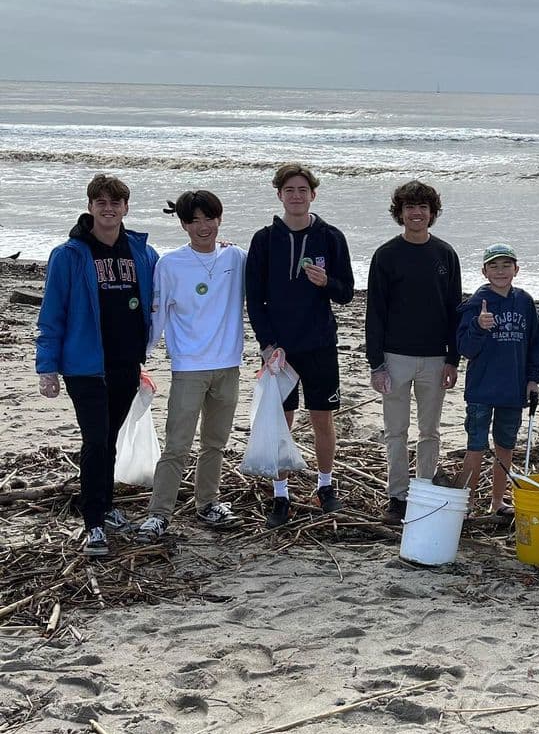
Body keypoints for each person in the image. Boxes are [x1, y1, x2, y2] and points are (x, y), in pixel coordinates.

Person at [35, 174, 158, 556]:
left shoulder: (142, 251)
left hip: (125, 363)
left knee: (109, 441)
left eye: (115, 202)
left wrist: (213, 250)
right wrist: (47, 367)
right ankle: (93, 524)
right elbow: (51, 312)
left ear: (125, 208)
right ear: (90, 206)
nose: (108, 208)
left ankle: (106, 507)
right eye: (101, 202)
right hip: (84, 366)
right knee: (96, 440)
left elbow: (168, 287)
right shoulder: (69, 254)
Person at [246, 164, 354, 528]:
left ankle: (325, 486)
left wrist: (327, 282)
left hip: (320, 343)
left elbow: (346, 293)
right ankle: (281, 495)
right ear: (279, 194)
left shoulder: (331, 237)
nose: (296, 195)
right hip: (281, 350)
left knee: (322, 418)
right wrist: (267, 344)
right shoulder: (264, 239)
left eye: (303, 189)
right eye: (289, 189)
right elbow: (254, 298)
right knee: (282, 422)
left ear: (313, 194)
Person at [135, 191, 246, 542]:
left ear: (219, 219)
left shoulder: (237, 257)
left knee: (215, 442)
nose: (203, 227)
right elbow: (158, 313)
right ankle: (158, 514)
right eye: (194, 220)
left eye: (209, 218)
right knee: (177, 444)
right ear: (183, 224)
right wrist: (143, 356)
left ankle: (208, 503)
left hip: (228, 365)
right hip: (188, 367)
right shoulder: (170, 265)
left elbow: (263, 294)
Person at [366, 180, 462, 524]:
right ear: (400, 213)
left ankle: (422, 490)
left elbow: (455, 310)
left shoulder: (446, 255)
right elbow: (374, 312)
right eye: (409, 207)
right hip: (395, 357)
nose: (416, 213)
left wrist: (453, 358)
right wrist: (376, 363)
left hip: (435, 359)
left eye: (423, 207)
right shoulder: (386, 255)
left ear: (432, 213)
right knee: (395, 430)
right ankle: (397, 497)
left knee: (430, 431)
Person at [456, 244, 539, 515]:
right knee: (476, 447)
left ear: (516, 269)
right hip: (481, 390)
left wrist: (534, 379)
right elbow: (464, 348)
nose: (500, 271)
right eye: (494, 266)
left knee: (505, 446)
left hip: (513, 390)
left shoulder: (524, 302)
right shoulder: (476, 304)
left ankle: (498, 501)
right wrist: (478, 327)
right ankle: (467, 504)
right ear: (484, 271)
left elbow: (538, 341)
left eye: (506, 265)